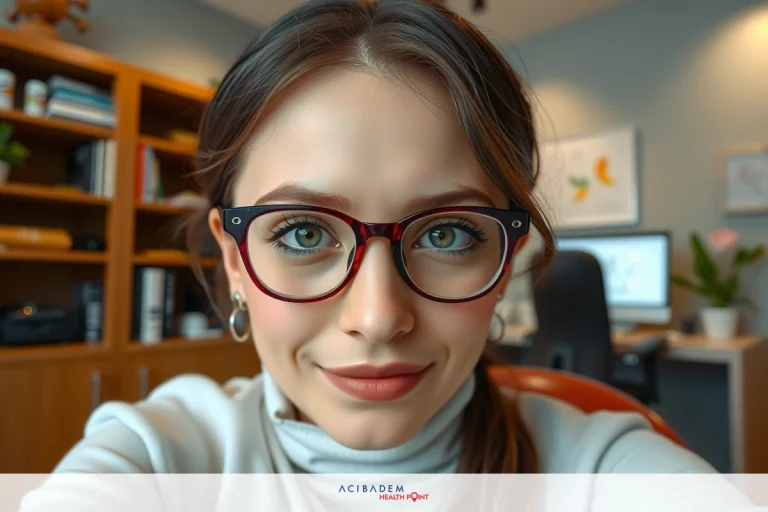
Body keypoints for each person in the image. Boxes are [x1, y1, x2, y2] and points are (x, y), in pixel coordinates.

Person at [32, 0, 722, 483]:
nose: (379, 317)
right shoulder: (158, 458)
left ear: (507, 258)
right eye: (303, 232)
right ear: (235, 260)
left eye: (447, 234)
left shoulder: (600, 467)